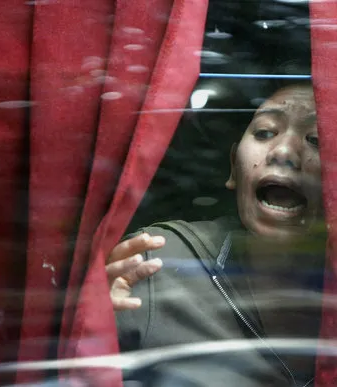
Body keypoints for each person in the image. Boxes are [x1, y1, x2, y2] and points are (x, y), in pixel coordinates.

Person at [106, 82, 325, 387]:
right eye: (264, 133)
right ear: (234, 167)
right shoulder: (158, 265)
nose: (284, 153)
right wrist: (91, 320)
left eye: (316, 139)